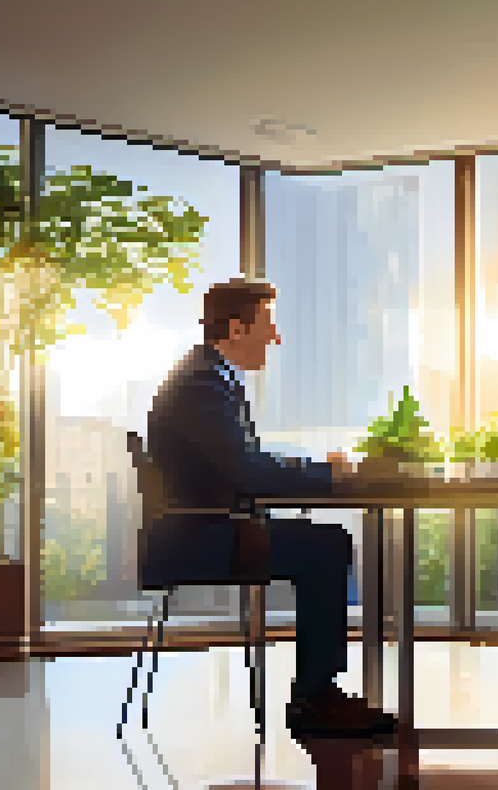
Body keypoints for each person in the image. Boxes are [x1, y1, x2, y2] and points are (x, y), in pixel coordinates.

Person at [140, 277, 399, 740]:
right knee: (325, 547)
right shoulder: (202, 384)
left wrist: (318, 468)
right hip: (196, 540)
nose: (274, 336)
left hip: (205, 528)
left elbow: (245, 462)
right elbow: (249, 471)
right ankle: (315, 700)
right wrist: (326, 473)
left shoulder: (207, 377)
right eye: (268, 323)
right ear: (236, 330)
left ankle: (319, 692)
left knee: (323, 543)